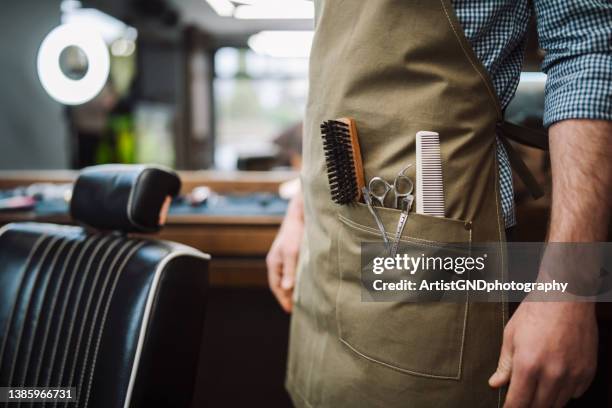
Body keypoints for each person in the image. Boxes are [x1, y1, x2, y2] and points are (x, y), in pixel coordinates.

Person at [267, 1, 612, 407]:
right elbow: (337, 80)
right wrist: (303, 209)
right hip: (323, 249)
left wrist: (570, 289)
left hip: (431, 260)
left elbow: (587, 48)